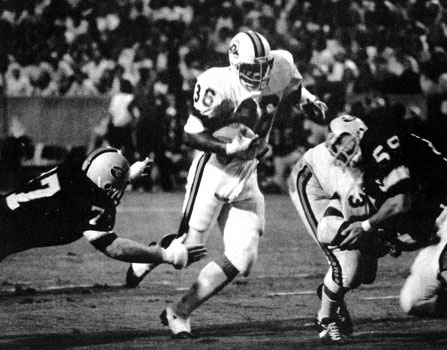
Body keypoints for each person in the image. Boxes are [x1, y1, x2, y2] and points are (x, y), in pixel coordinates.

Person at [125, 30, 327, 338]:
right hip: (215, 170)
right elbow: (189, 135)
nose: (259, 74)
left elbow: (295, 88)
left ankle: (179, 311)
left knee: (243, 257)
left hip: (248, 172)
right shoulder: (216, 83)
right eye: (250, 68)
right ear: (234, 64)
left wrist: (310, 101)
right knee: (186, 253)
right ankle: (160, 250)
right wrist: (227, 147)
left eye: (264, 66)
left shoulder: (282, 64)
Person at [324, 114, 447, 318]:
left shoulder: (376, 140)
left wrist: (366, 226)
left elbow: (400, 201)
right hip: (442, 224)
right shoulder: (370, 179)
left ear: (358, 132)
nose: (340, 150)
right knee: (415, 301)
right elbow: (419, 231)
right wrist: (391, 242)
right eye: (336, 146)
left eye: (343, 141)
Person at [0, 147, 206, 273]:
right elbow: (114, 247)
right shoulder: (89, 200)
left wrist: (126, 176)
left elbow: (100, 169)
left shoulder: (74, 169)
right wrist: (165, 255)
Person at [288, 115, 387, 345]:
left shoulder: (370, 159)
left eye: (350, 142)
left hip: (340, 195)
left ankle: (330, 292)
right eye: (340, 142)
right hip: (310, 185)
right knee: (346, 264)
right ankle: (325, 318)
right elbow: (345, 229)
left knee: (366, 274)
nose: (345, 149)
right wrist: (382, 238)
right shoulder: (345, 176)